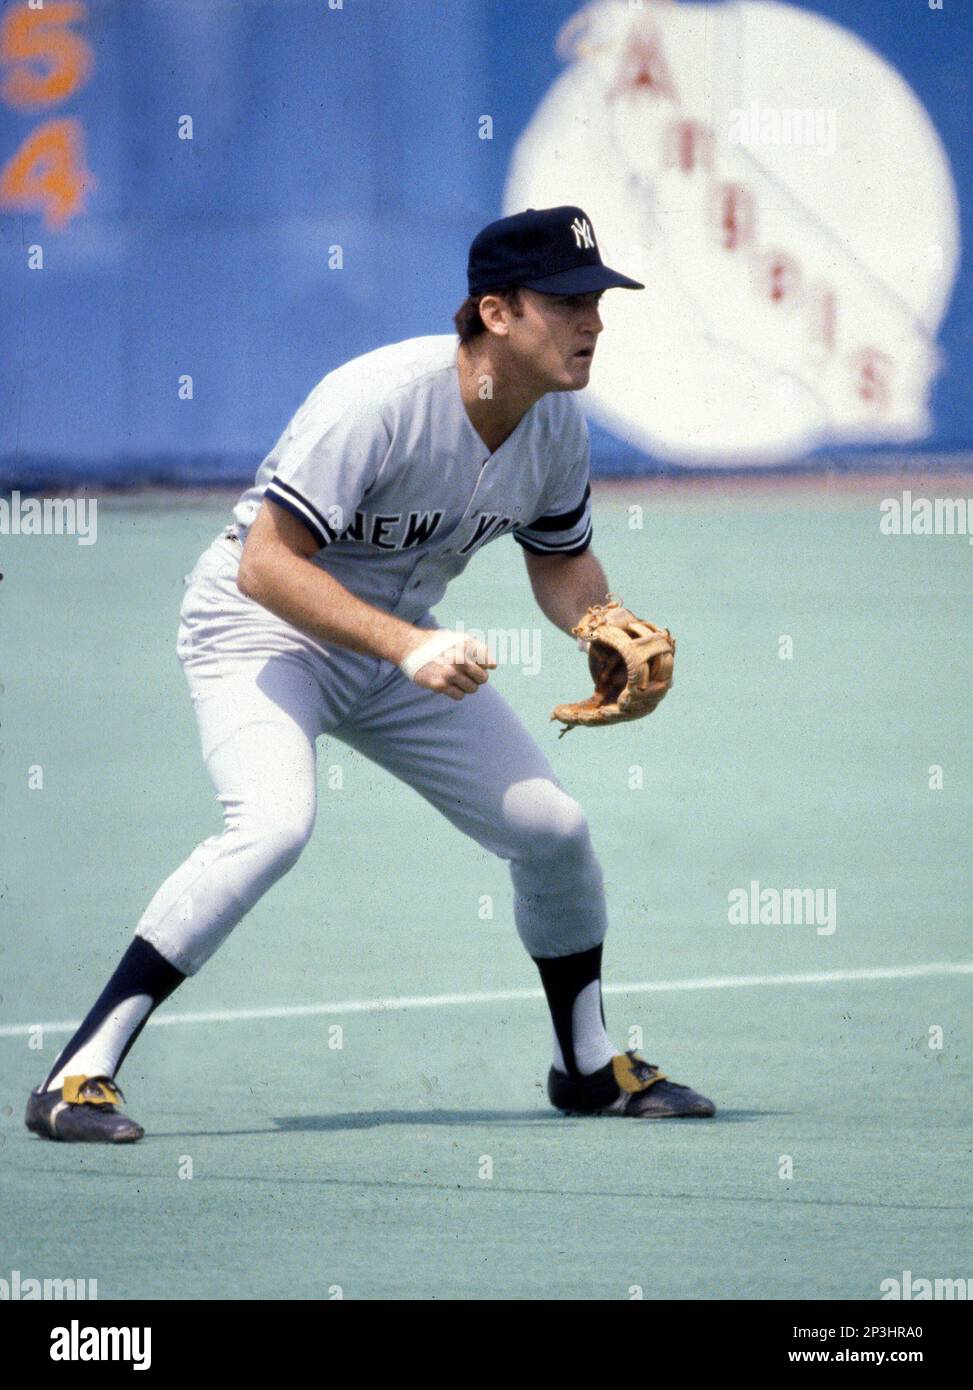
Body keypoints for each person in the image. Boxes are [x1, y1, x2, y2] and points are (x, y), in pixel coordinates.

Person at [25, 205, 715, 1143]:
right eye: (565, 301)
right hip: (258, 631)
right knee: (271, 827)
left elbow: (558, 559)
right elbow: (264, 565)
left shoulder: (554, 427)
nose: (591, 319)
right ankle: (77, 1075)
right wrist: (407, 647)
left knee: (552, 830)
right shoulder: (380, 399)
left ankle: (587, 1069)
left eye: (595, 297)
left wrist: (599, 622)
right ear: (497, 312)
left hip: (397, 646)